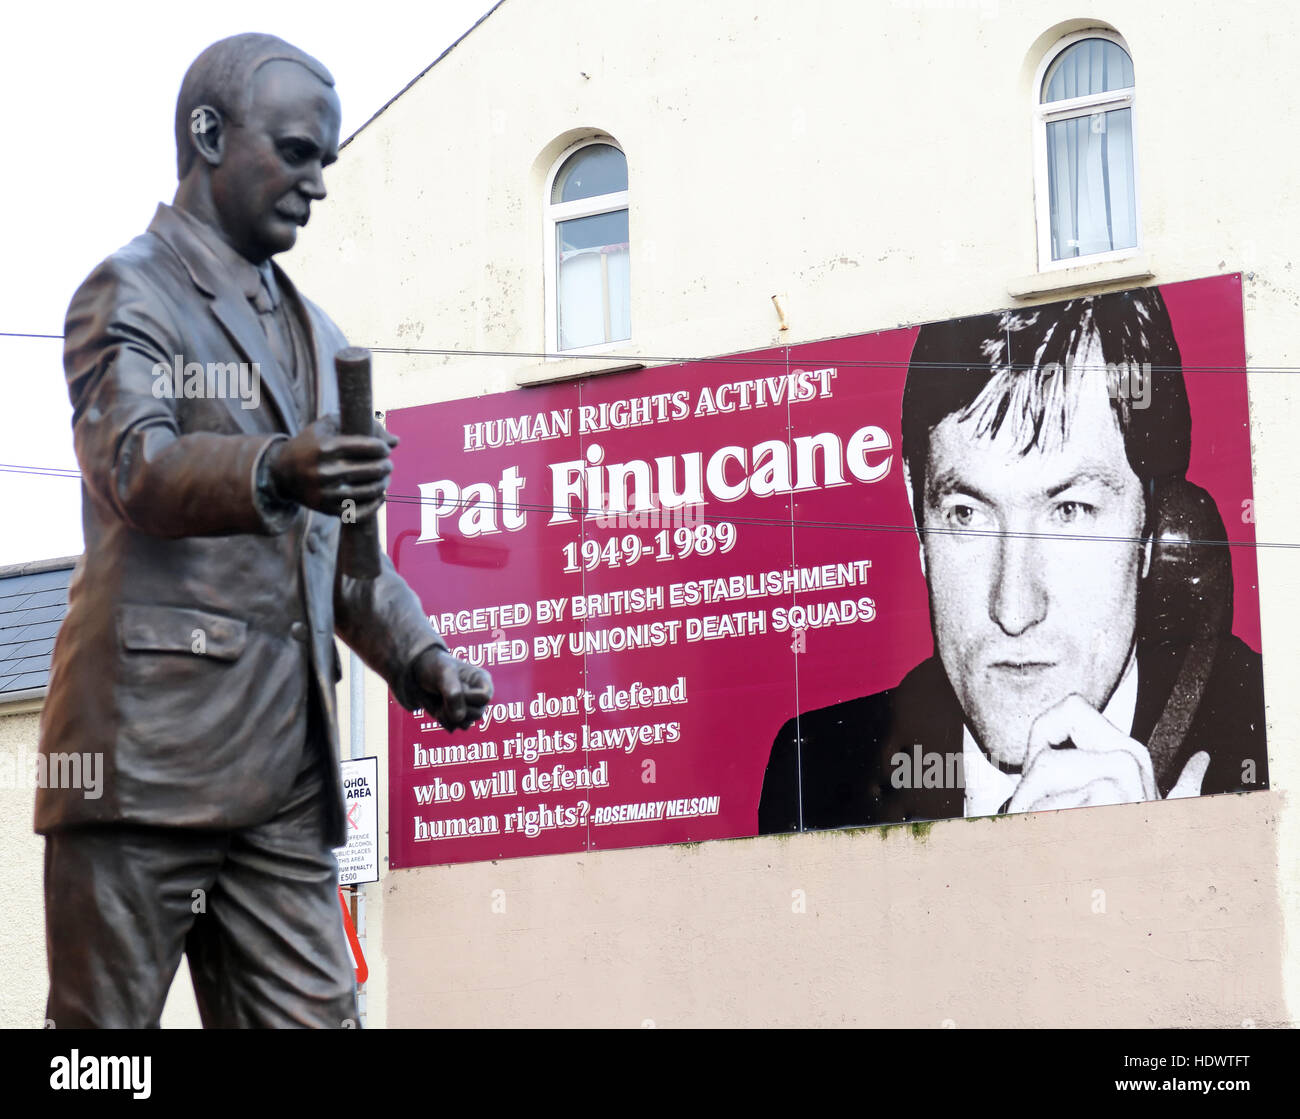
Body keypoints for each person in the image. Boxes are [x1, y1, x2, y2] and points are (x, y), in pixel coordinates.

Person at [36, 33, 492, 1028]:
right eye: (295, 152)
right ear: (207, 134)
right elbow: (135, 464)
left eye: (324, 160)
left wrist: (422, 658)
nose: (316, 183)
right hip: (145, 761)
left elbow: (349, 568)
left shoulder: (326, 340)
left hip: (285, 775)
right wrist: (276, 465)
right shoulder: (131, 292)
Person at [758, 288, 1268, 834]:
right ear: (916, 514)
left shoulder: (1268, 730)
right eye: (966, 514)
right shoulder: (819, 772)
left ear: (1155, 530)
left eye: (1070, 510)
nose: (1014, 609)